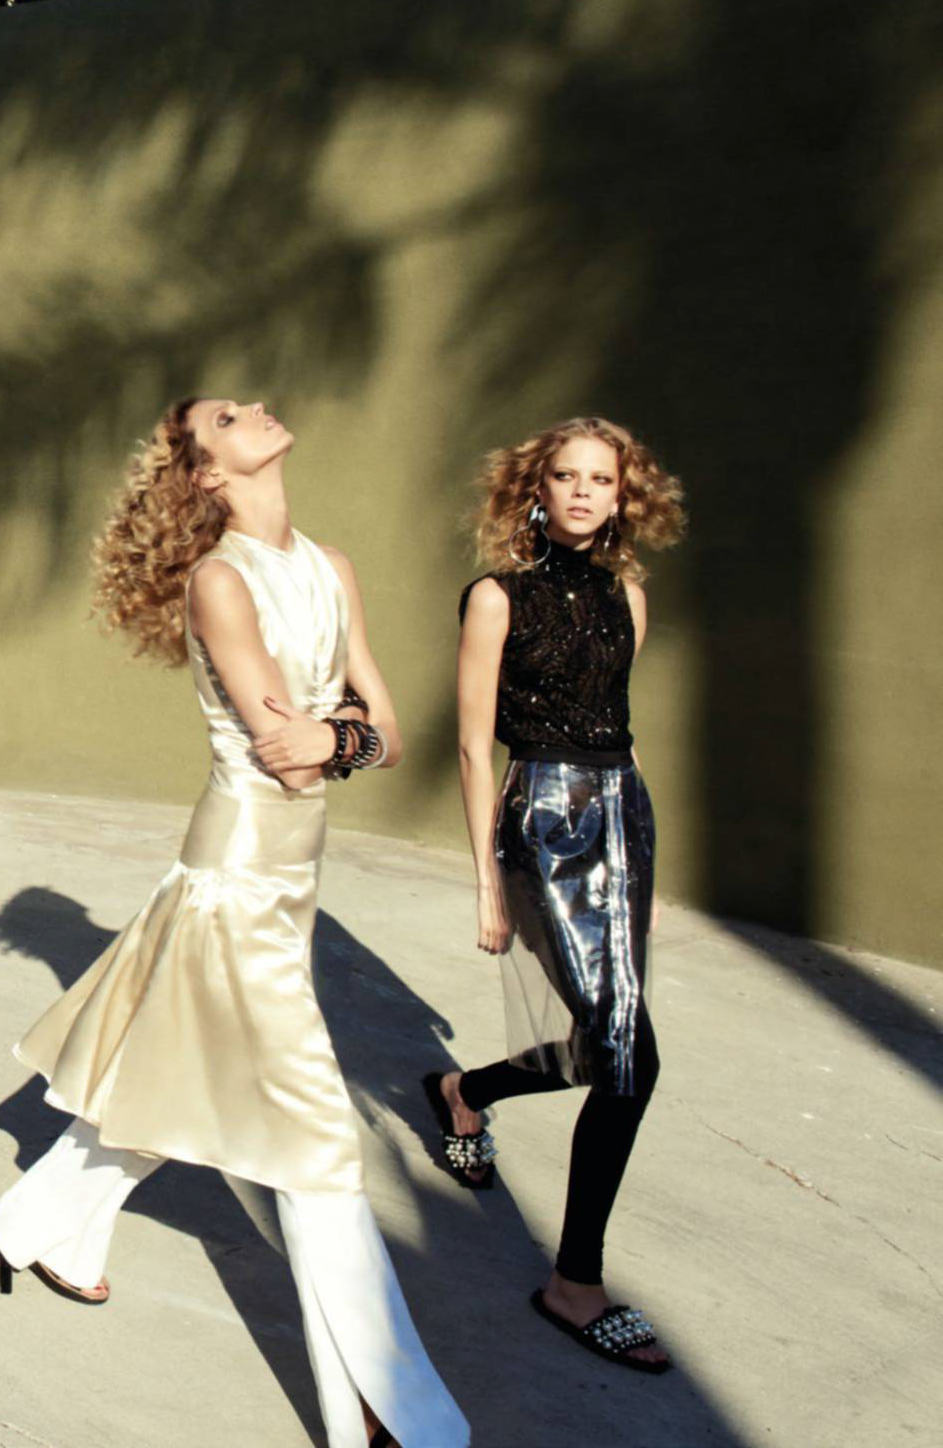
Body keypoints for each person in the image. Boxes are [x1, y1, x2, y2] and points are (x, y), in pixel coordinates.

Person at [0, 398, 468, 1448]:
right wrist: (343, 734)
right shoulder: (219, 581)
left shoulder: (332, 567)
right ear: (207, 473)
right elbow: (291, 754)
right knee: (317, 1139)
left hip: (294, 873)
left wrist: (342, 735)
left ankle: (36, 1224)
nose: (257, 411)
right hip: (237, 872)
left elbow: (384, 730)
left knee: (180, 1074)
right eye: (229, 417)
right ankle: (389, 1414)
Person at [417, 416, 686, 1376]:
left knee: (601, 1045)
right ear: (535, 488)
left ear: (623, 496)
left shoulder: (628, 596)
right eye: (565, 475)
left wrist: (642, 867)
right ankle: (575, 1284)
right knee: (629, 1055)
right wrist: (487, 883)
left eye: (600, 480)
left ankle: (463, 1091)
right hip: (543, 818)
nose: (582, 492)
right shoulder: (497, 597)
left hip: (621, 813)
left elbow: (619, 726)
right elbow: (471, 745)